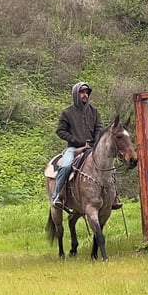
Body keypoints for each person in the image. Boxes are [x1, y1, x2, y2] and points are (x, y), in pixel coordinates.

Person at [50, 81, 122, 210]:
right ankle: (57, 196)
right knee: (66, 166)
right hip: (74, 148)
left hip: (92, 148)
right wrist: (76, 141)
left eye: (86, 93)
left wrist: (95, 142)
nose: (85, 95)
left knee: (110, 168)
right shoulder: (67, 113)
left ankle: (114, 197)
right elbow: (60, 131)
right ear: (76, 94)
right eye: (82, 92)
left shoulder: (94, 112)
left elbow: (98, 127)